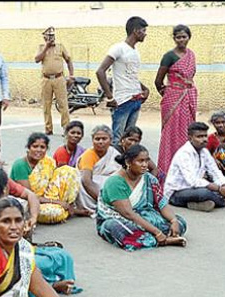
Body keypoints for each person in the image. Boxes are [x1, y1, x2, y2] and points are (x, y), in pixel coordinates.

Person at [0, 168, 80, 295]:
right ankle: (50, 285)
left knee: (55, 253)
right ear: (4, 189)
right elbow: (5, 247)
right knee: (59, 258)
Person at [97, 144, 187, 251]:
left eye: (146, 161)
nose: (145, 165)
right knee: (116, 227)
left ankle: (158, 237)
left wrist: (174, 221)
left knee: (181, 222)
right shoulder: (115, 182)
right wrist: (157, 232)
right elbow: (128, 214)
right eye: (140, 161)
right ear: (128, 162)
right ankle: (162, 239)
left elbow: (161, 203)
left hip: (145, 215)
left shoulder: (149, 178)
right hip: (121, 218)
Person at [96, 16, 150, 145]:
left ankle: (127, 165)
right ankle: (114, 165)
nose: (145, 34)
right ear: (136, 31)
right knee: (117, 139)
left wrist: (144, 89)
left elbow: (130, 75)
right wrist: (109, 97)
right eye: (143, 30)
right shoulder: (118, 48)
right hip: (122, 101)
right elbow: (100, 72)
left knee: (130, 140)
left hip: (135, 99)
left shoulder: (135, 51)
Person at [10, 132, 85, 223]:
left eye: (42, 147)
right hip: (27, 201)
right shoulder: (20, 165)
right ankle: (67, 210)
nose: (38, 150)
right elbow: (30, 195)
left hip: (45, 199)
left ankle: (68, 207)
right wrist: (58, 203)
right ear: (28, 148)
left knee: (70, 172)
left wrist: (57, 200)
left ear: (46, 149)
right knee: (54, 212)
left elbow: (54, 182)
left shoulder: (48, 162)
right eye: (35, 146)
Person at [156, 25, 197, 176]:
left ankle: (187, 170)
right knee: (171, 135)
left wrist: (184, 92)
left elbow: (191, 76)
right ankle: (167, 171)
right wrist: (170, 95)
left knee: (189, 133)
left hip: (188, 99)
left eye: (184, 36)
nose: (181, 40)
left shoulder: (191, 55)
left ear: (188, 37)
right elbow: (158, 81)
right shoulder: (169, 56)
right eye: (178, 37)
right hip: (173, 100)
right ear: (174, 38)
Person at [164, 122, 225, 211]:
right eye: (199, 137)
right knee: (205, 193)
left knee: (212, 190)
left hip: (195, 189)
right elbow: (192, 181)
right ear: (190, 138)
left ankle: (197, 204)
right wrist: (218, 189)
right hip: (177, 193)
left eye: (205, 136)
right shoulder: (184, 153)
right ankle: (220, 201)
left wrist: (223, 185)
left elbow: (214, 171)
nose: (204, 139)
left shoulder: (204, 151)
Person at [34, 26, 74, 135]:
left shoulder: (60, 47)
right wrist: (46, 47)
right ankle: (48, 128)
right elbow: (37, 59)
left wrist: (71, 75)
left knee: (63, 104)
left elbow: (68, 60)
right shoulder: (41, 47)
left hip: (59, 78)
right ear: (44, 37)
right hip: (46, 79)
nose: (52, 38)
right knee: (46, 105)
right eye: (49, 36)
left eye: (53, 35)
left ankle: (66, 127)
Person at [76, 124, 121, 213]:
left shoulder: (113, 153)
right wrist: (103, 202)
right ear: (92, 140)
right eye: (97, 139)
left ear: (111, 140)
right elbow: (86, 181)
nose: (100, 142)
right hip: (89, 189)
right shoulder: (89, 155)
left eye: (104, 139)